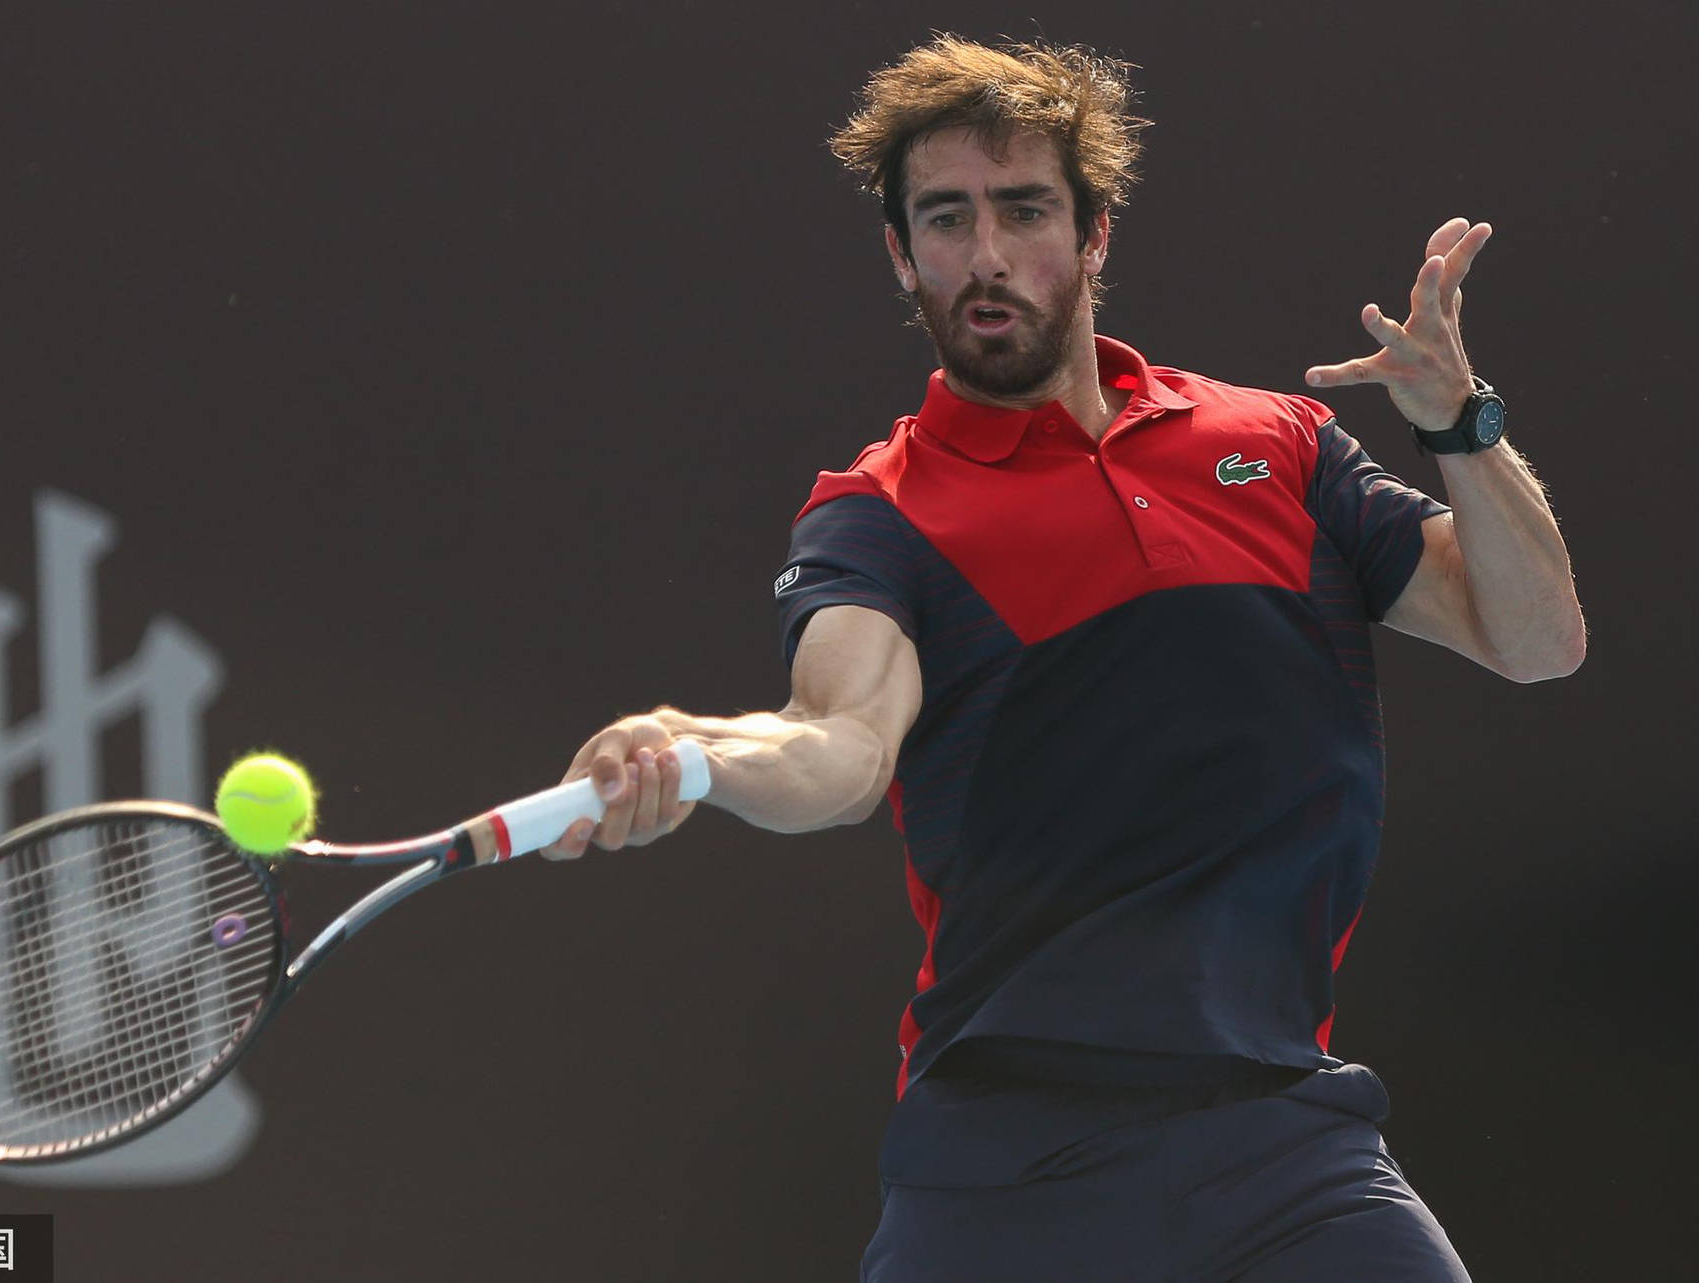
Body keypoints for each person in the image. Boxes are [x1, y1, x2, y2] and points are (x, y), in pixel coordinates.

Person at [541, 34, 1584, 1283]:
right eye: (945, 220)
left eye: (1024, 210)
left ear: (1093, 236)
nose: (985, 258)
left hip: (1288, 1148)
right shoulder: (879, 515)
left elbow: (1535, 641)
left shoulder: (1279, 446)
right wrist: (697, 749)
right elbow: (841, 740)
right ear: (901, 253)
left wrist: (1459, 428)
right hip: (1007, 1170)